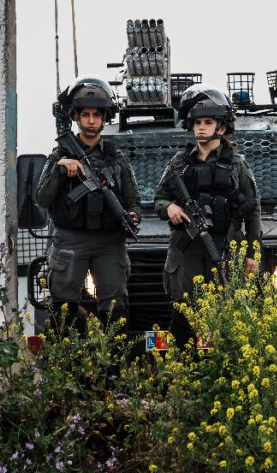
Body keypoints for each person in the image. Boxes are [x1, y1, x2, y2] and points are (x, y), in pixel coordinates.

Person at [153, 84, 261, 349]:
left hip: (224, 247)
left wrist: (251, 253)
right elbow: (159, 198)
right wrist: (170, 208)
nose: (201, 127)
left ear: (221, 128)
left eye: (208, 122)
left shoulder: (237, 165)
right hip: (186, 249)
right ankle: (176, 371)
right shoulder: (179, 163)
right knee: (183, 314)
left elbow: (253, 210)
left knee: (225, 314)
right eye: (197, 122)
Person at [36, 75, 141, 328]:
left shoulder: (116, 158)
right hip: (71, 239)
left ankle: (115, 367)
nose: (91, 120)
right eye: (86, 115)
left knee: (116, 310)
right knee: (63, 309)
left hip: (109, 242)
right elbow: (42, 197)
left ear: (105, 117)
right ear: (75, 117)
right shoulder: (61, 154)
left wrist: (134, 215)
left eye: (97, 114)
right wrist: (61, 170)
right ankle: (68, 364)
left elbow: (133, 199)